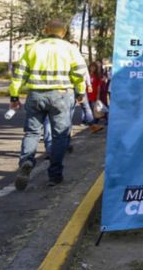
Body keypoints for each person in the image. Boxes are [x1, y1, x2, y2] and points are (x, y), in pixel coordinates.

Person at [8, 19, 88, 190]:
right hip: (61, 94)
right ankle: (55, 175)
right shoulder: (70, 48)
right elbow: (80, 73)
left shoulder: (33, 48)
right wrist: (80, 92)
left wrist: (14, 96)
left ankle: (27, 161)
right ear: (64, 32)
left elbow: (19, 73)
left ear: (45, 31)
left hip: (35, 94)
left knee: (32, 132)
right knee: (60, 136)